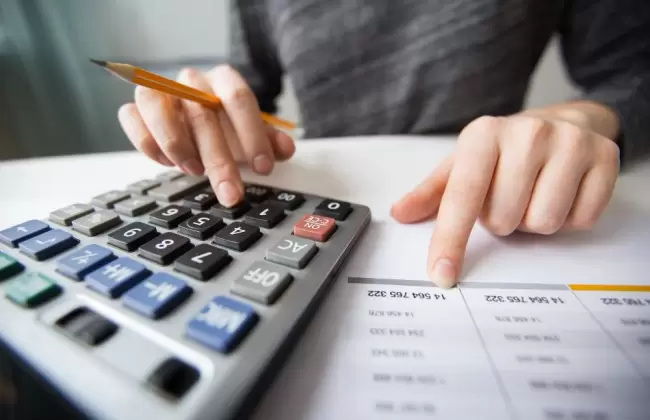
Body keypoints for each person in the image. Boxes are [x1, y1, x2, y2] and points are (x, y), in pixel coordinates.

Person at [116, 1, 649, 288]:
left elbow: (632, 68)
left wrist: (583, 117)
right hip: (312, 198)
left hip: (494, 199)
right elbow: (249, 85)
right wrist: (208, 108)